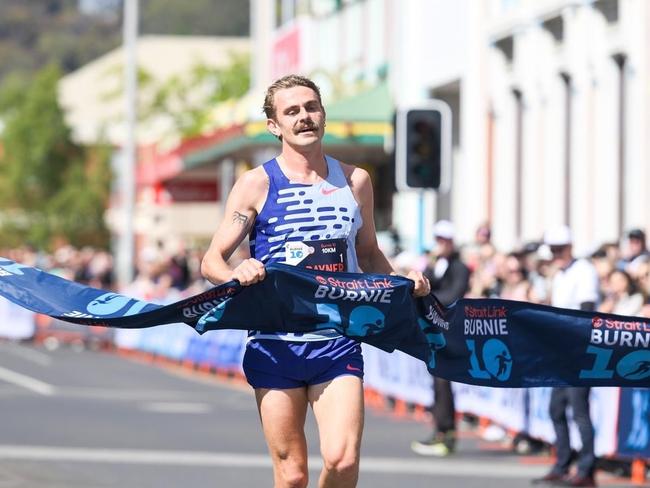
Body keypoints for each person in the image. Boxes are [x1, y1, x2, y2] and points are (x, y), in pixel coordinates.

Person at [200, 74, 430, 488]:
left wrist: (402, 281)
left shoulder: (356, 181)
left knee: (342, 459)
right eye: (292, 111)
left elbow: (370, 253)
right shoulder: (257, 183)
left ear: (323, 115)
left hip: (336, 338)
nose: (304, 117)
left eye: (311, 107)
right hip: (274, 343)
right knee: (291, 476)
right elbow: (211, 261)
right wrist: (237, 271)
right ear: (275, 126)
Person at [533, 225, 599, 487]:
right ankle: (562, 463)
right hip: (560, 348)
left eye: (559, 249)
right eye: (553, 250)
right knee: (556, 409)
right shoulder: (560, 274)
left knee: (580, 411)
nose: (556, 254)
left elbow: (586, 309)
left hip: (578, 347)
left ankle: (587, 469)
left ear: (570, 247)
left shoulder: (584, 270)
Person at [411, 220, 470, 457]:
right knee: (437, 379)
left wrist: (430, 298)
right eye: (437, 240)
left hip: (452, 328)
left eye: (444, 240)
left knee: (444, 380)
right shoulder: (436, 266)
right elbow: (420, 286)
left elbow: (455, 293)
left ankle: (447, 433)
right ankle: (440, 429)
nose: (440, 245)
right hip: (435, 328)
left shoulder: (460, 267)